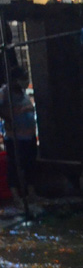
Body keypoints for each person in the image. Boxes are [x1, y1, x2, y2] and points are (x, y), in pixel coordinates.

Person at [0, 67, 37, 197]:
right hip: (15, 138)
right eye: (23, 78)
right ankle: (16, 196)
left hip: (29, 137)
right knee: (15, 167)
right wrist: (7, 118)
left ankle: (31, 193)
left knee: (30, 165)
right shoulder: (5, 92)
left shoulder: (23, 92)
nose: (26, 81)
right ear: (15, 80)